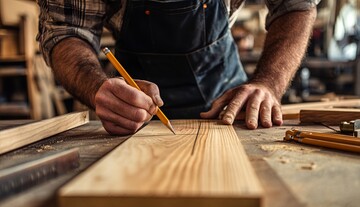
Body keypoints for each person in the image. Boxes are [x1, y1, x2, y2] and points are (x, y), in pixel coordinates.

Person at [37, 0, 319, 135]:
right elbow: (67, 30)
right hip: (131, 111)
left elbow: (295, 5)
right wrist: (96, 87)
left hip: (230, 105)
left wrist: (268, 83)